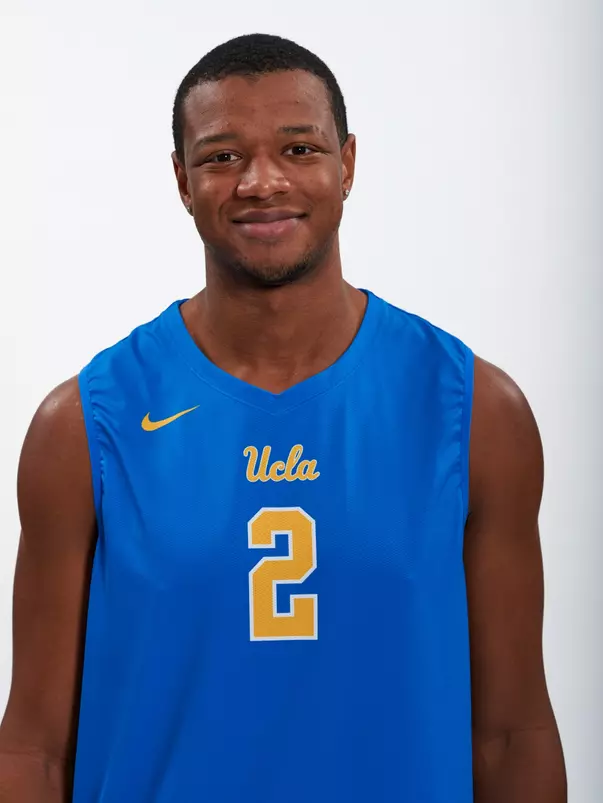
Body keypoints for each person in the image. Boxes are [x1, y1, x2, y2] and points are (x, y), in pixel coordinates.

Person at [0, 32, 566, 803]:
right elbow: (33, 747)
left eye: (298, 149)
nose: (261, 182)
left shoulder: (473, 411)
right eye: (222, 156)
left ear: (348, 164)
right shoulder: (85, 425)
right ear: (181, 179)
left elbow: (512, 733)